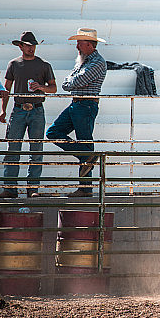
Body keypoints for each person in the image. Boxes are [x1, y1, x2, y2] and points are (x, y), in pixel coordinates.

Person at [46, 28, 107, 197]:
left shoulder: (97, 62)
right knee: (53, 133)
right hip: (79, 104)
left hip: (85, 105)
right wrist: (71, 82)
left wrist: (71, 82)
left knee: (84, 141)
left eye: (79, 43)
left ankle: (85, 187)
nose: (77, 46)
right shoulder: (86, 61)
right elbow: (68, 83)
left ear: (89, 44)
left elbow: (75, 80)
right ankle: (86, 156)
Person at [0, 32, 57, 199]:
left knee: (36, 150)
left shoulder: (44, 65)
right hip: (19, 109)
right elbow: (6, 89)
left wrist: (41, 87)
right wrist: (3, 110)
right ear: (21, 46)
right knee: (13, 149)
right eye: (28, 45)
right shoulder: (14, 64)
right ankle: (10, 188)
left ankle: (32, 188)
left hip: (37, 108)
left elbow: (54, 88)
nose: (31, 48)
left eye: (33, 45)